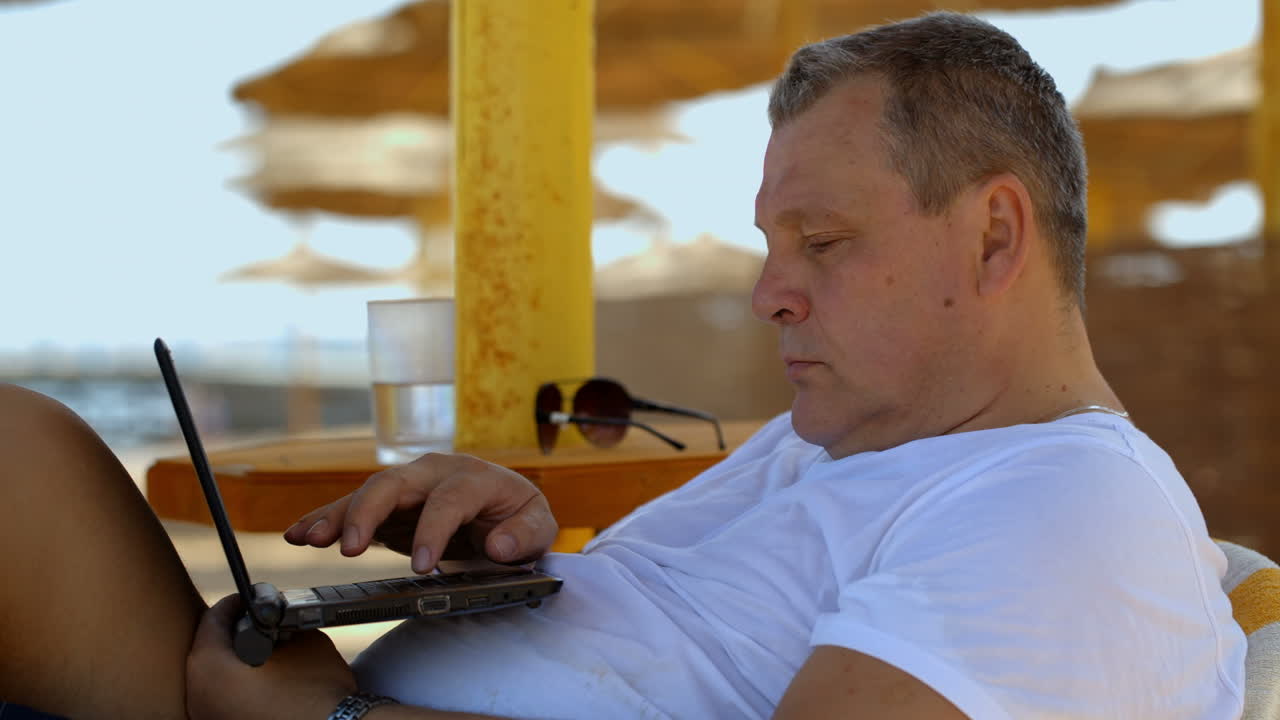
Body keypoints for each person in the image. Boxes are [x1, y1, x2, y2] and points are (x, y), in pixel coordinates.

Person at [0, 11, 1246, 720]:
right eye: (771, 245)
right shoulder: (855, 438)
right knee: (19, 448)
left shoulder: (1068, 511)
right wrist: (526, 558)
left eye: (820, 242)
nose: (768, 293)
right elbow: (680, 640)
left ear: (992, 237)